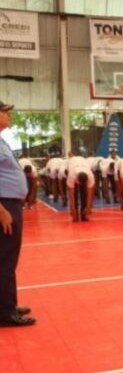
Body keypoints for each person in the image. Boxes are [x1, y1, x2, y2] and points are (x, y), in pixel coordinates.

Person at [0, 101, 35, 326]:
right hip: (4, 205)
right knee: (5, 259)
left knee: (6, 259)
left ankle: (7, 304)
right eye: (5, 112)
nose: (9, 115)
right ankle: (5, 312)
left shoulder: (2, 140)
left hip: (10, 202)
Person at [66, 158, 94, 222]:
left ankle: (83, 214)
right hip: (72, 164)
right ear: (77, 179)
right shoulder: (71, 176)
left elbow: (89, 195)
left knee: (84, 194)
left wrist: (88, 208)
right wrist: (73, 210)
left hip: (83, 163)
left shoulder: (90, 176)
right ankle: (75, 213)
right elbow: (71, 196)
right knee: (75, 194)